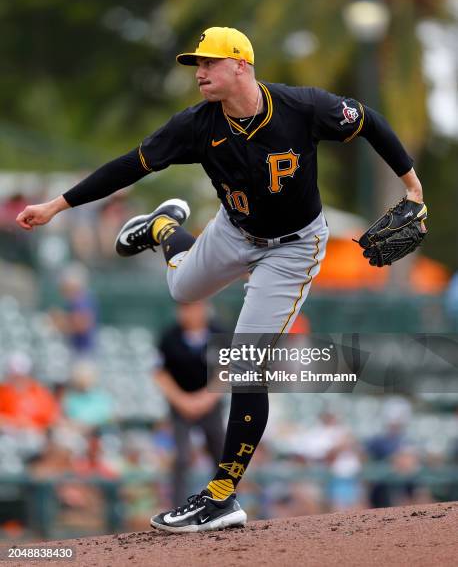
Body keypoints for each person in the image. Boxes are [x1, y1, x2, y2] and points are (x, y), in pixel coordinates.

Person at [16, 26, 427, 533]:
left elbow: (369, 121)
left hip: (295, 247)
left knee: (246, 360)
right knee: (180, 289)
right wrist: (58, 205)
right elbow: (129, 166)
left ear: (242, 66)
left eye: (210, 63)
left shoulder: (304, 107)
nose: (201, 73)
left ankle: (221, 494)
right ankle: (166, 226)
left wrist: (412, 186)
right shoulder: (195, 125)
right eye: (197, 65)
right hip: (234, 230)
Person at [155, 300, 225, 506]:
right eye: (183, 308)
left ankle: (223, 502)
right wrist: (183, 401)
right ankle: (178, 506)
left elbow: (227, 370)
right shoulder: (169, 336)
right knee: (182, 458)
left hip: (210, 404)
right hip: (180, 406)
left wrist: (205, 399)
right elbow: (160, 373)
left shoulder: (218, 332)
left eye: (192, 307)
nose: (187, 313)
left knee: (221, 456)